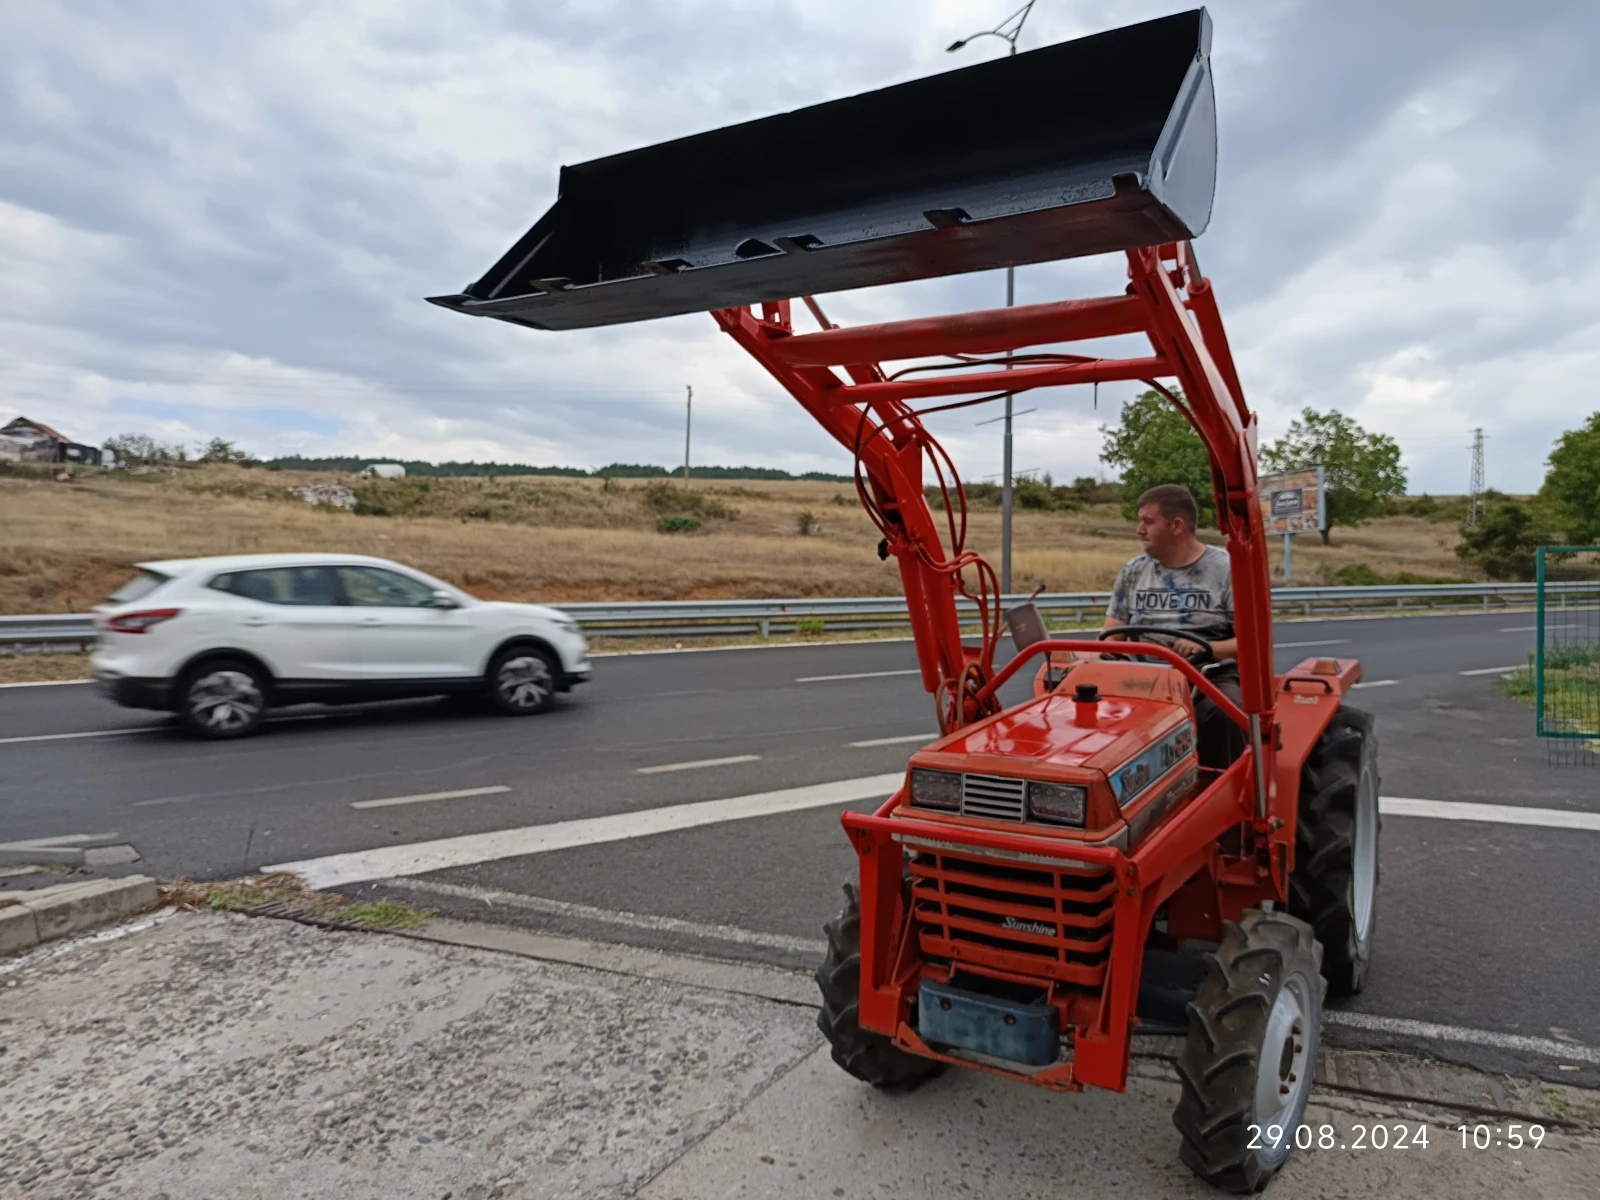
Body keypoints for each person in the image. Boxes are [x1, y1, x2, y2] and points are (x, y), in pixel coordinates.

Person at [1101, 483, 1243, 767]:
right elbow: (1111, 637)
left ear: (1177, 525)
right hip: (1141, 674)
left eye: (1148, 522)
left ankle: (1221, 787)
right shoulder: (1133, 572)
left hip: (1207, 676)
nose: (1139, 530)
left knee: (1225, 712)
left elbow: (1248, 644)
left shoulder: (1228, 570)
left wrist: (1208, 647)